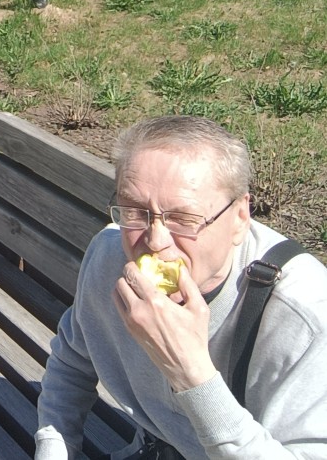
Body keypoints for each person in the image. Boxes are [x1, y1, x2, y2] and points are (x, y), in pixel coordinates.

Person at [35, 115, 327, 460]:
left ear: (240, 218)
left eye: (183, 219)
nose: (156, 241)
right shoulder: (109, 258)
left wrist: (191, 373)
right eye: (135, 212)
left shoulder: (305, 316)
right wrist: (54, 449)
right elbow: (71, 363)